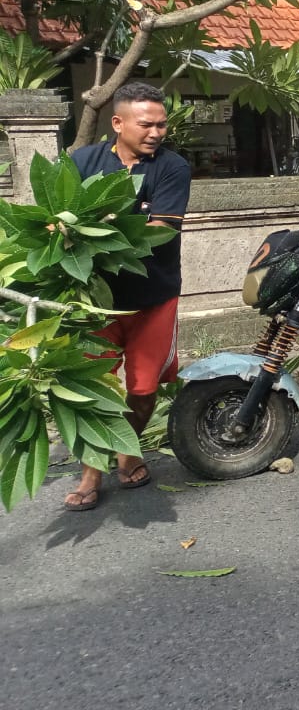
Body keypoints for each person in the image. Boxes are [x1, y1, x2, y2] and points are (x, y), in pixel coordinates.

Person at [63, 81, 191, 511]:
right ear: (117, 123)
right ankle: (90, 474)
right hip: (94, 301)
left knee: (142, 388)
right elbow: (60, 220)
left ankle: (128, 448)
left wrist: (98, 228)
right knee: (93, 389)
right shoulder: (82, 161)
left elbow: (162, 228)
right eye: (146, 124)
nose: (156, 132)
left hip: (154, 297)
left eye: (161, 124)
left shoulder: (172, 167)